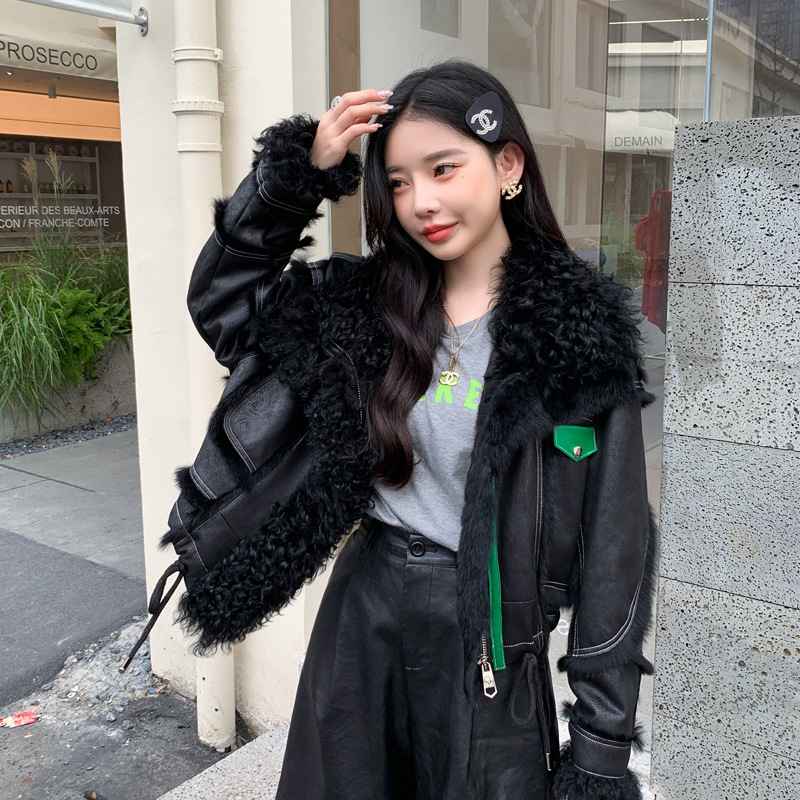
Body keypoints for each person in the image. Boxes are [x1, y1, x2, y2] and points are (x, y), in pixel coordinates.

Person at [159, 58, 659, 800]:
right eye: (398, 181)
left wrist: (600, 754)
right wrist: (297, 175)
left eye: (443, 168)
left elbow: (616, 557)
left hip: (489, 643)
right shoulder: (363, 307)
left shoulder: (575, 337)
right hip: (362, 622)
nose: (421, 201)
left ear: (508, 165)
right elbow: (224, 304)